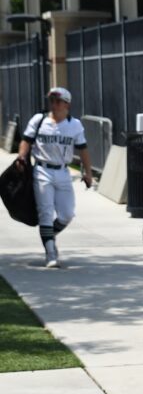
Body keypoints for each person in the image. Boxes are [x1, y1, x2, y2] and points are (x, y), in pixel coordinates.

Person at [15, 87, 93, 268]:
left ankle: (48, 235)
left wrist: (88, 172)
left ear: (67, 104)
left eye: (58, 101)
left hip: (63, 171)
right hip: (42, 170)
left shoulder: (74, 125)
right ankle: (50, 253)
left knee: (66, 214)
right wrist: (21, 157)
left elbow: (83, 149)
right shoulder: (39, 120)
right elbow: (26, 140)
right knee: (46, 212)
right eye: (52, 101)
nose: (54, 104)